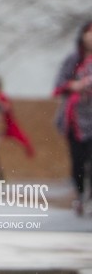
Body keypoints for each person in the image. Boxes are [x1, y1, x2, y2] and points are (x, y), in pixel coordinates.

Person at [52, 20, 92, 216]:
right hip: (76, 119)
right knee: (78, 160)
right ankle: (80, 194)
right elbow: (58, 86)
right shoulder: (74, 59)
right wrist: (75, 85)